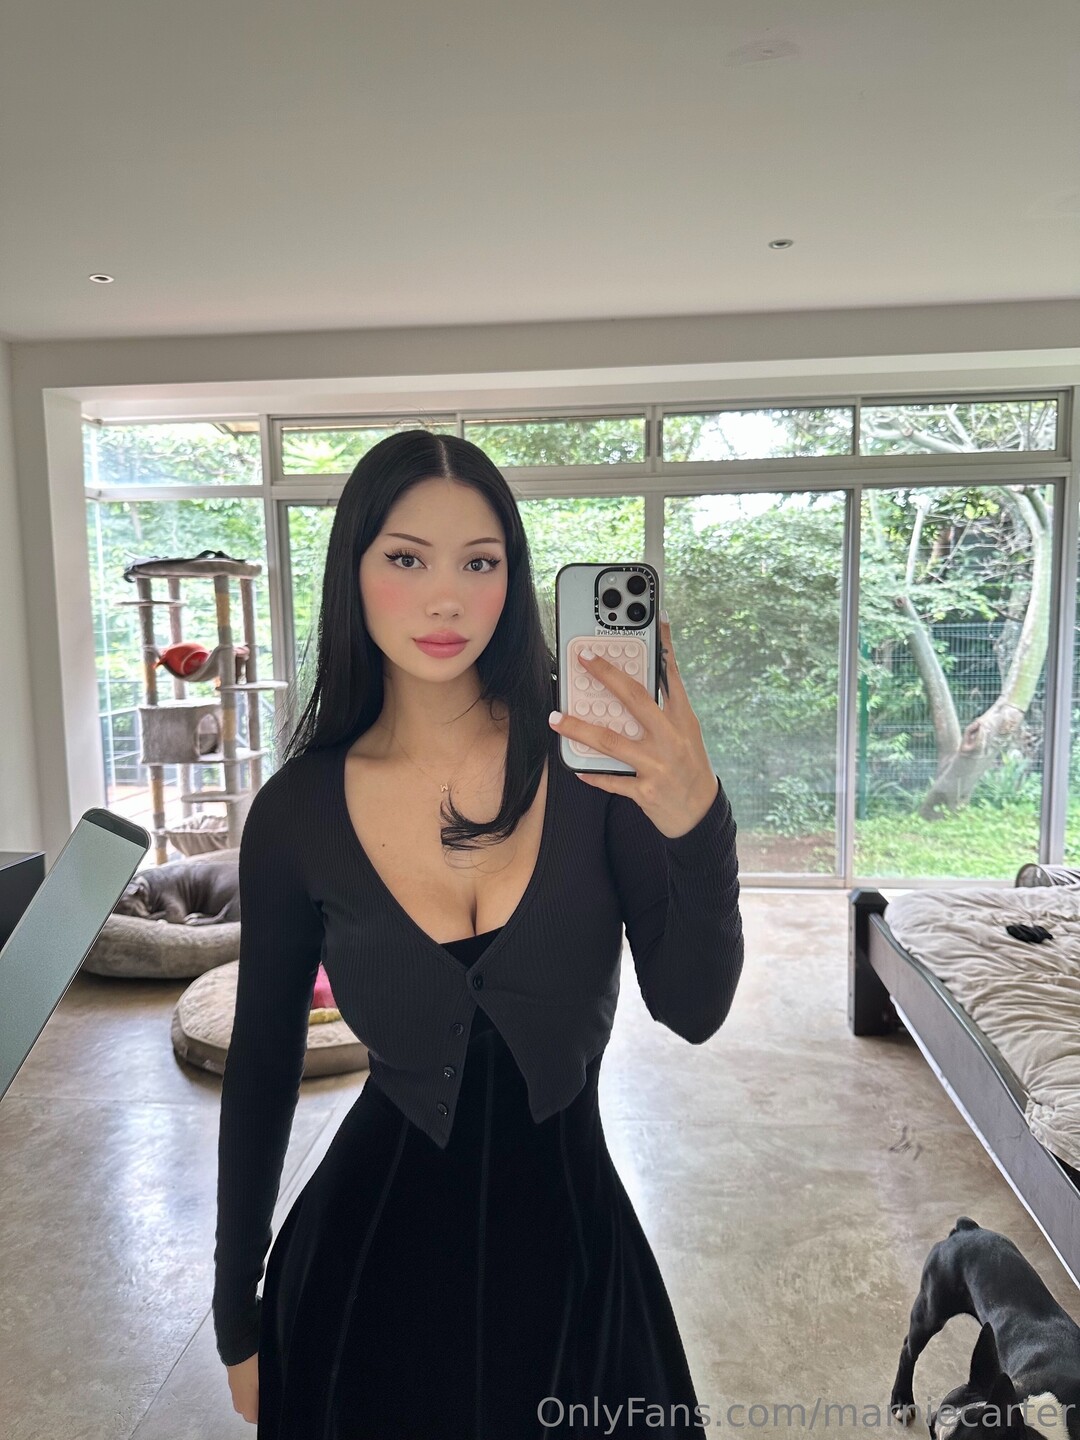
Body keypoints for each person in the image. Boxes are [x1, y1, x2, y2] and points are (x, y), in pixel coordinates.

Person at [213, 428, 744, 1436]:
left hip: (580, 1281)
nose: (446, 599)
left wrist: (696, 824)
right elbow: (263, 1065)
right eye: (407, 559)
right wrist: (236, 1313)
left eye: (480, 562)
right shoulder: (296, 815)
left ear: (514, 581)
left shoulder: (596, 771)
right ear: (354, 572)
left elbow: (694, 1006)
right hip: (364, 1281)